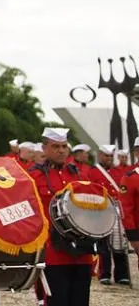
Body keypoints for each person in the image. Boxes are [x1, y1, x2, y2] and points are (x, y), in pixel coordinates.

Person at [28, 128, 94, 306]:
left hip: (81, 252)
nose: (61, 150)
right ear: (44, 148)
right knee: (56, 301)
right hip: (53, 252)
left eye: (64, 146)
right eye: (55, 146)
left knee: (80, 301)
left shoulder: (79, 175)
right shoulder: (34, 176)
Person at [89, 144, 130, 285]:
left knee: (120, 243)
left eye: (111, 156)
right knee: (103, 244)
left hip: (117, 209)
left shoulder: (118, 172)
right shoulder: (92, 171)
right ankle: (105, 274)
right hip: (101, 209)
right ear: (100, 155)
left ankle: (122, 275)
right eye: (106, 156)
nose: (109, 159)